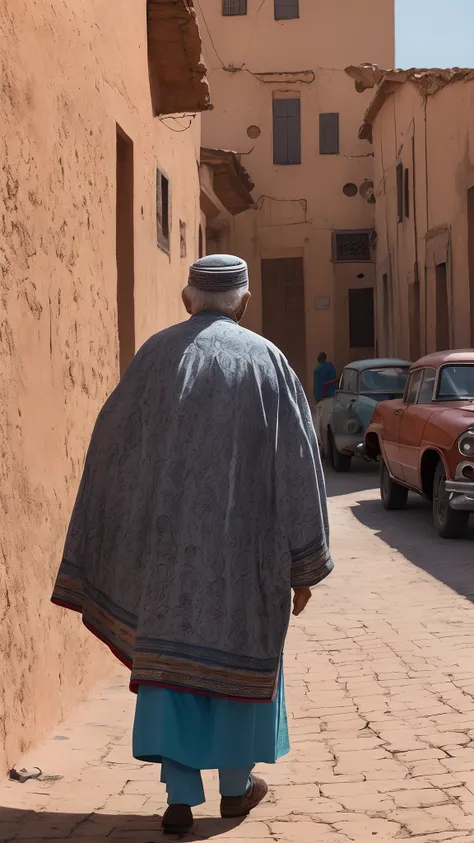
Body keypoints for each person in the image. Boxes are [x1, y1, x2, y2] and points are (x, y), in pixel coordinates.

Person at [51, 254, 333, 835]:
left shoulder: (155, 357)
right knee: (238, 660)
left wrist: (117, 540)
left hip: (167, 560)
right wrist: (302, 563)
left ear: (188, 299)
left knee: (174, 664)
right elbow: (299, 466)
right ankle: (235, 788)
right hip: (245, 557)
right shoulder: (269, 362)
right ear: (245, 302)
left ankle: (179, 797)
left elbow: (114, 451)